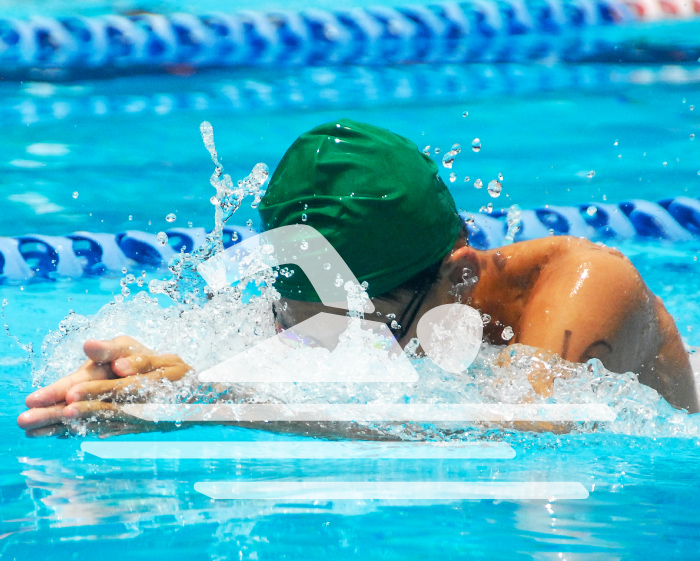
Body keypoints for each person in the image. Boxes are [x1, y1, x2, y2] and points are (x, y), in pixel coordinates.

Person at [17, 119, 698, 437]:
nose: (321, 348)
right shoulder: (357, 307)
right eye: (295, 321)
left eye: (346, 329)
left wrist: (222, 401)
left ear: (458, 276)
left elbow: (532, 433)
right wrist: (169, 376)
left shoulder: (588, 290)